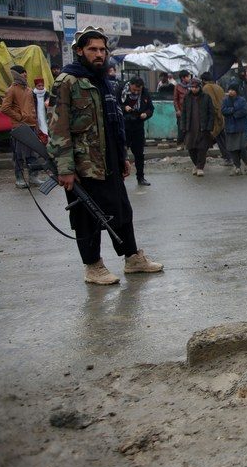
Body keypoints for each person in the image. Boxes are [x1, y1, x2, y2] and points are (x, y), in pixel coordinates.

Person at [48, 26, 163, 284]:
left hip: (108, 159)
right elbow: (58, 127)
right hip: (82, 164)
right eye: (92, 49)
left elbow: (113, 124)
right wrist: (65, 168)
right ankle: (93, 266)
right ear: (80, 51)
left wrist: (122, 156)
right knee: (87, 216)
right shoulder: (67, 82)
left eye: (102, 49)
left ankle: (132, 258)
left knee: (121, 209)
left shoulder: (104, 81)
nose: (99, 54)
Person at [1, 65, 42, 188]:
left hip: (32, 125)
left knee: (33, 153)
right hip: (19, 127)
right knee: (18, 154)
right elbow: (4, 108)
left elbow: (34, 108)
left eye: (25, 72)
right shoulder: (11, 90)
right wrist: (19, 117)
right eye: (22, 72)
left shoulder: (30, 90)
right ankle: (19, 178)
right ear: (16, 74)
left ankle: (34, 177)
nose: (25, 74)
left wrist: (37, 124)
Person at [121, 77, 155, 186]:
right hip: (123, 127)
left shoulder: (144, 93)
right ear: (130, 85)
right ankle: (119, 178)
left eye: (138, 90)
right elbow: (114, 105)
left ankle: (141, 178)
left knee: (139, 154)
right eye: (134, 90)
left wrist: (146, 114)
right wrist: (124, 108)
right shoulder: (121, 90)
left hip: (138, 126)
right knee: (121, 153)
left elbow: (151, 108)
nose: (136, 92)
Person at [181, 77, 214, 177]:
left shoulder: (206, 97)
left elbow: (211, 113)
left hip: (202, 127)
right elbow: (184, 113)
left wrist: (209, 126)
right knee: (191, 148)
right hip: (190, 127)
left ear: (200, 87)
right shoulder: (187, 97)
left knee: (202, 148)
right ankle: (196, 164)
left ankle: (200, 167)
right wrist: (183, 126)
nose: (194, 89)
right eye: (192, 87)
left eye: (196, 87)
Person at [201, 72, 231, 166]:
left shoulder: (206, 88)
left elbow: (212, 103)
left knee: (217, 138)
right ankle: (228, 157)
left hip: (215, 117)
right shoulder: (219, 87)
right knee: (221, 138)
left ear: (203, 80)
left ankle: (228, 158)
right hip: (222, 115)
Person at [221, 86, 247, 176]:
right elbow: (223, 110)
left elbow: (245, 111)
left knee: (242, 148)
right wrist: (233, 110)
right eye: (229, 90)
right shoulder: (226, 100)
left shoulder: (242, 100)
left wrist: (234, 114)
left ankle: (246, 165)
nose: (230, 92)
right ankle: (237, 166)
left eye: (233, 90)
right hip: (230, 128)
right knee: (232, 148)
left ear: (236, 91)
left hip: (240, 128)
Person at [173, 70, 190, 150]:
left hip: (190, 111)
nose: (189, 78)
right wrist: (177, 110)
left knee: (189, 128)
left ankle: (188, 143)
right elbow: (175, 99)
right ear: (183, 78)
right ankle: (180, 144)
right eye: (187, 76)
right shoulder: (177, 86)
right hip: (181, 111)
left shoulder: (191, 86)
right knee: (181, 128)